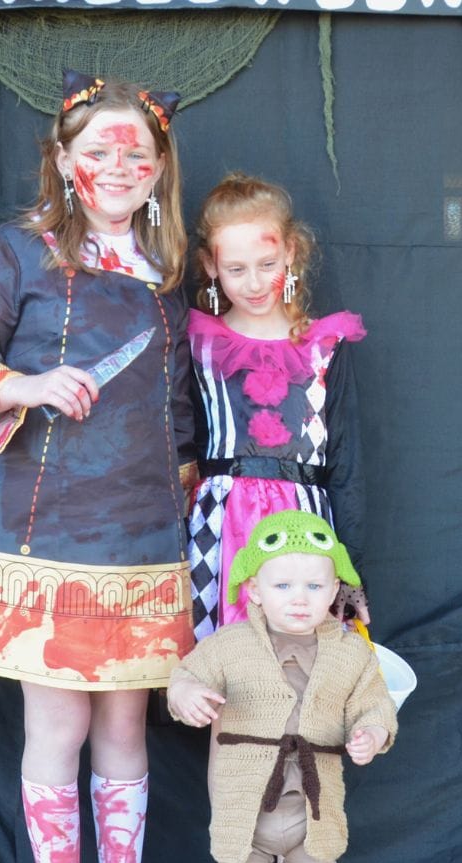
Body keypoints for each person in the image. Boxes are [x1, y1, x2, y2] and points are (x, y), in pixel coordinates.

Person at [0, 71, 197, 863]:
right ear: (63, 160)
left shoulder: (170, 275)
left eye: (136, 153)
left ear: (158, 169)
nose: (118, 166)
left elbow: (179, 415)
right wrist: (31, 386)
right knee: (61, 723)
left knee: (126, 723)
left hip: (145, 534)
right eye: (98, 152)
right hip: (46, 531)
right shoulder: (21, 250)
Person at [167, 510, 397, 863]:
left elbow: (375, 703)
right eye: (283, 585)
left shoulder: (351, 653)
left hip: (313, 805)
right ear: (254, 590)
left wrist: (373, 732)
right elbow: (184, 676)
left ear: (335, 589)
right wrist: (186, 695)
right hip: (244, 804)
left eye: (314, 586)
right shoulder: (229, 646)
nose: (299, 598)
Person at [188, 173, 371, 642]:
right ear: (210, 265)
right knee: (223, 657)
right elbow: (176, 446)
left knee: (301, 658)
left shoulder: (324, 347)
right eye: (236, 269)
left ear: (290, 252)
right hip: (219, 528)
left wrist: (350, 567)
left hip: (305, 526)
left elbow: (346, 461)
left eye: (267, 264)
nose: (254, 283)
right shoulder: (198, 345)